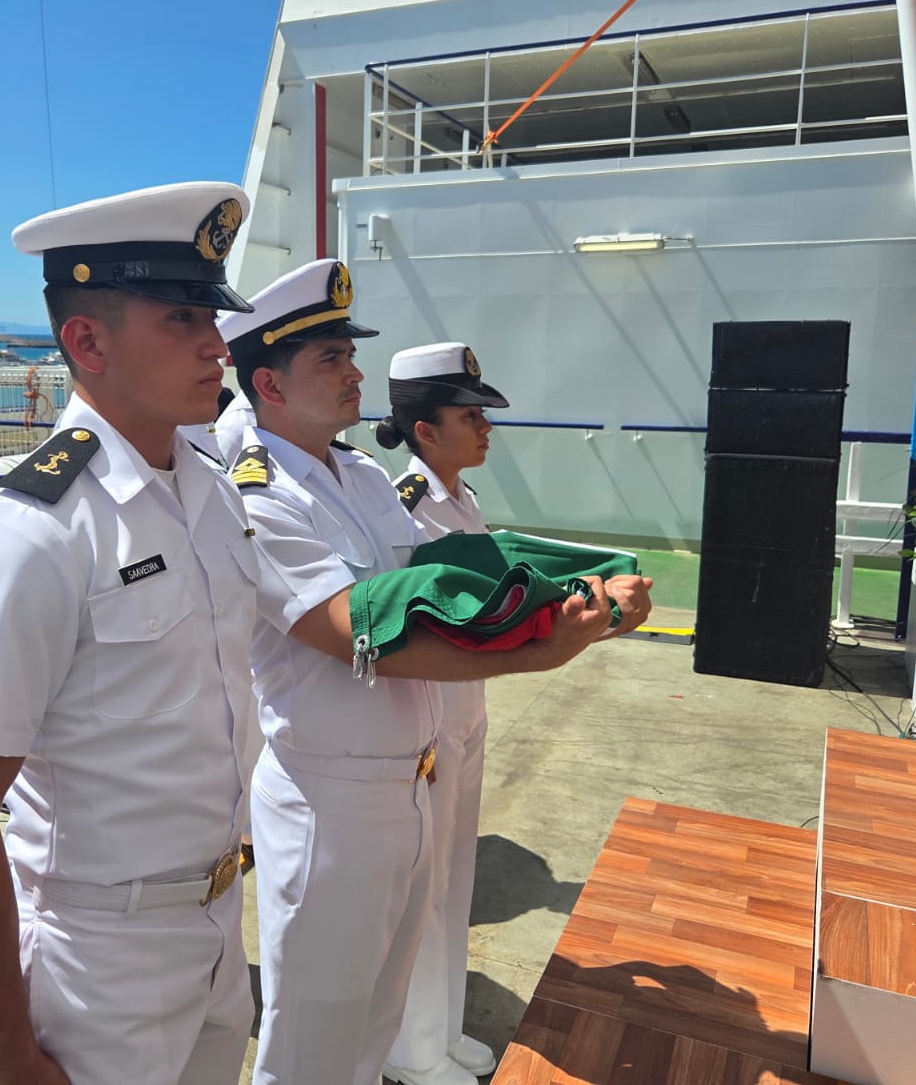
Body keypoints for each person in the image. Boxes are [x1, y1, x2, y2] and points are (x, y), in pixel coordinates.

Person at [218, 259, 654, 1085]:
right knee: (315, 1038)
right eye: (332, 360)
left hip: (409, 779)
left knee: (376, 1022)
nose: (355, 374)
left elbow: (447, 594)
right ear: (268, 385)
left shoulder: (357, 477)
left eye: (351, 355)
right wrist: (544, 652)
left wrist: (576, 595)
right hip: (330, 800)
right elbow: (359, 634)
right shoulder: (258, 497)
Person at [0, 182, 261, 1085]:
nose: (217, 344)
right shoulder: (33, 533)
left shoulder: (211, 494)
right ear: (87, 342)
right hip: (98, 959)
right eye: (182, 318)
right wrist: (10, 1051)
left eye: (210, 316)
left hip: (219, 927)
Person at [377, 342, 510, 1084]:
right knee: (422, 886)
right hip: (427, 715)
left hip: (467, 709)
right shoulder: (406, 506)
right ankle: (413, 1052)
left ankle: (446, 1029)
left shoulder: (462, 500)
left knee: (457, 874)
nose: (486, 428)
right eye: (470, 416)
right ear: (425, 430)